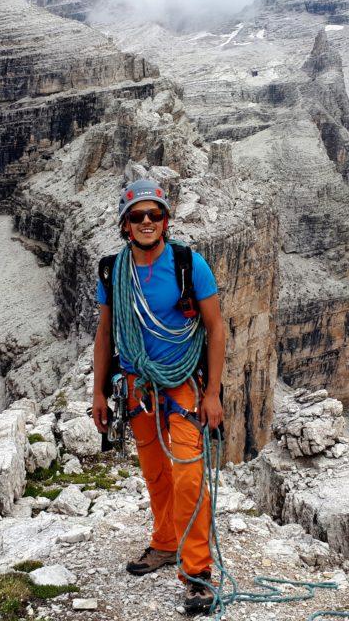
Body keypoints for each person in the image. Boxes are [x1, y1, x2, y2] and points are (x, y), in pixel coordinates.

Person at [91, 179, 226, 615]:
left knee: (188, 472)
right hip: (136, 386)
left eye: (155, 215)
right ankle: (166, 543)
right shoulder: (114, 272)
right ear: (125, 225)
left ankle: (198, 572)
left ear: (165, 221)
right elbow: (106, 333)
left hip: (182, 382)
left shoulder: (188, 264)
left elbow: (215, 327)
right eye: (137, 216)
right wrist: (97, 391)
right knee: (155, 472)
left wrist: (214, 394)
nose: (147, 222)